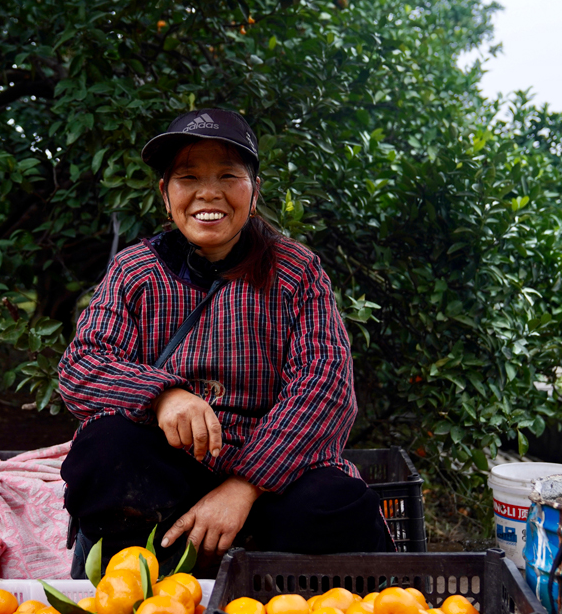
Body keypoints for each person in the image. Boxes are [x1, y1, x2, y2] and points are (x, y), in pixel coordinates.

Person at [58, 108, 393, 579]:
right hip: (171, 480)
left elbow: (326, 387)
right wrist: (163, 395)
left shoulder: (297, 271)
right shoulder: (135, 270)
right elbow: (81, 366)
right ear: (166, 194)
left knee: (337, 504)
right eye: (188, 176)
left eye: (228, 176)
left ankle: (264, 589)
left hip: (273, 481)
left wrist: (244, 486)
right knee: (103, 450)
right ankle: (158, 585)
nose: (208, 192)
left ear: (253, 193)